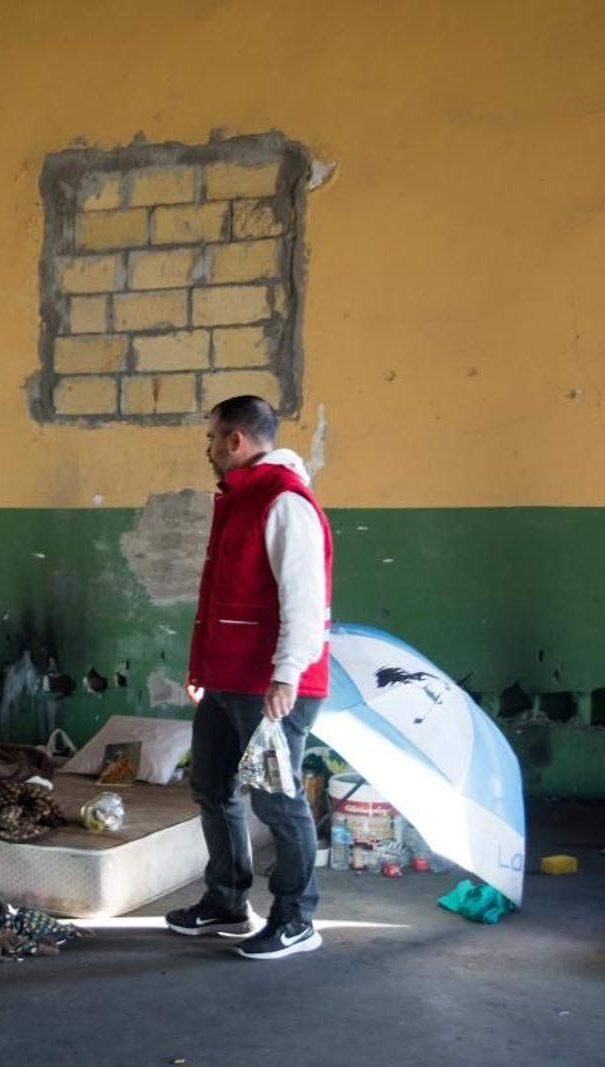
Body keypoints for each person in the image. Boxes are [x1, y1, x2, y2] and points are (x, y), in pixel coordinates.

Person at [165, 395, 333, 961]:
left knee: (278, 805)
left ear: (235, 441)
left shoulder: (284, 501)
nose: (209, 450)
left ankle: (296, 918)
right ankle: (227, 901)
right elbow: (221, 600)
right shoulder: (238, 501)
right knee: (211, 788)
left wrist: (286, 676)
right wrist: (201, 670)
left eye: (212, 439)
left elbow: (305, 604)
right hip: (227, 681)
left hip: (271, 689)